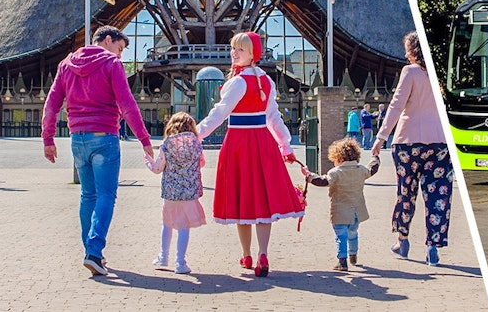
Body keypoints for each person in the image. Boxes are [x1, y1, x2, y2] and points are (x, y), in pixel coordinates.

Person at [42, 25, 154, 277]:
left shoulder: (65, 65)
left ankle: (92, 253)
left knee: (88, 196)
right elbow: (127, 104)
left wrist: (48, 138)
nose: (121, 55)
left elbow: (51, 104)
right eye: (120, 48)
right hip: (105, 136)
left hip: (77, 139)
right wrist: (144, 140)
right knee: (106, 196)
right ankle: (93, 251)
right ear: (106, 40)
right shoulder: (111, 64)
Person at [197, 31, 304, 277]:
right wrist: (285, 145)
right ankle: (262, 253)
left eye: (240, 50)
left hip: (238, 143)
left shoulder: (238, 82)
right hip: (263, 144)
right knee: (262, 200)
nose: (234, 53)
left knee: (242, 198)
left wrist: (197, 133)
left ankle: (246, 255)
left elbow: (219, 113)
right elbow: (273, 117)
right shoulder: (266, 80)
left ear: (252, 54)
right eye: (233, 49)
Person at [371, 31, 452, 267]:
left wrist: (381, 137)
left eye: (408, 49)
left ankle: (402, 240)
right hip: (439, 144)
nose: (405, 53)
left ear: (414, 50)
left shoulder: (411, 72)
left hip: (408, 142)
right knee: (438, 195)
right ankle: (433, 247)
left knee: (406, 192)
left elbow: (396, 106)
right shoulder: (438, 76)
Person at [301, 138, 380, 271]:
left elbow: (322, 181)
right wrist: (375, 157)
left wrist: (309, 176)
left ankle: (342, 261)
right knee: (353, 233)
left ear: (338, 158)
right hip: (356, 211)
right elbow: (373, 169)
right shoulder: (361, 170)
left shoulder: (335, 173)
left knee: (340, 235)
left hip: (339, 211)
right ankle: (353, 254)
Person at [145, 112, 206, 275]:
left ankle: (163, 257)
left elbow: (157, 168)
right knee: (184, 227)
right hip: (189, 193)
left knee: (167, 224)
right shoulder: (197, 144)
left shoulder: (166, 145)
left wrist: (148, 161)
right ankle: (180, 263)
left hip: (170, 193)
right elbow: (202, 163)